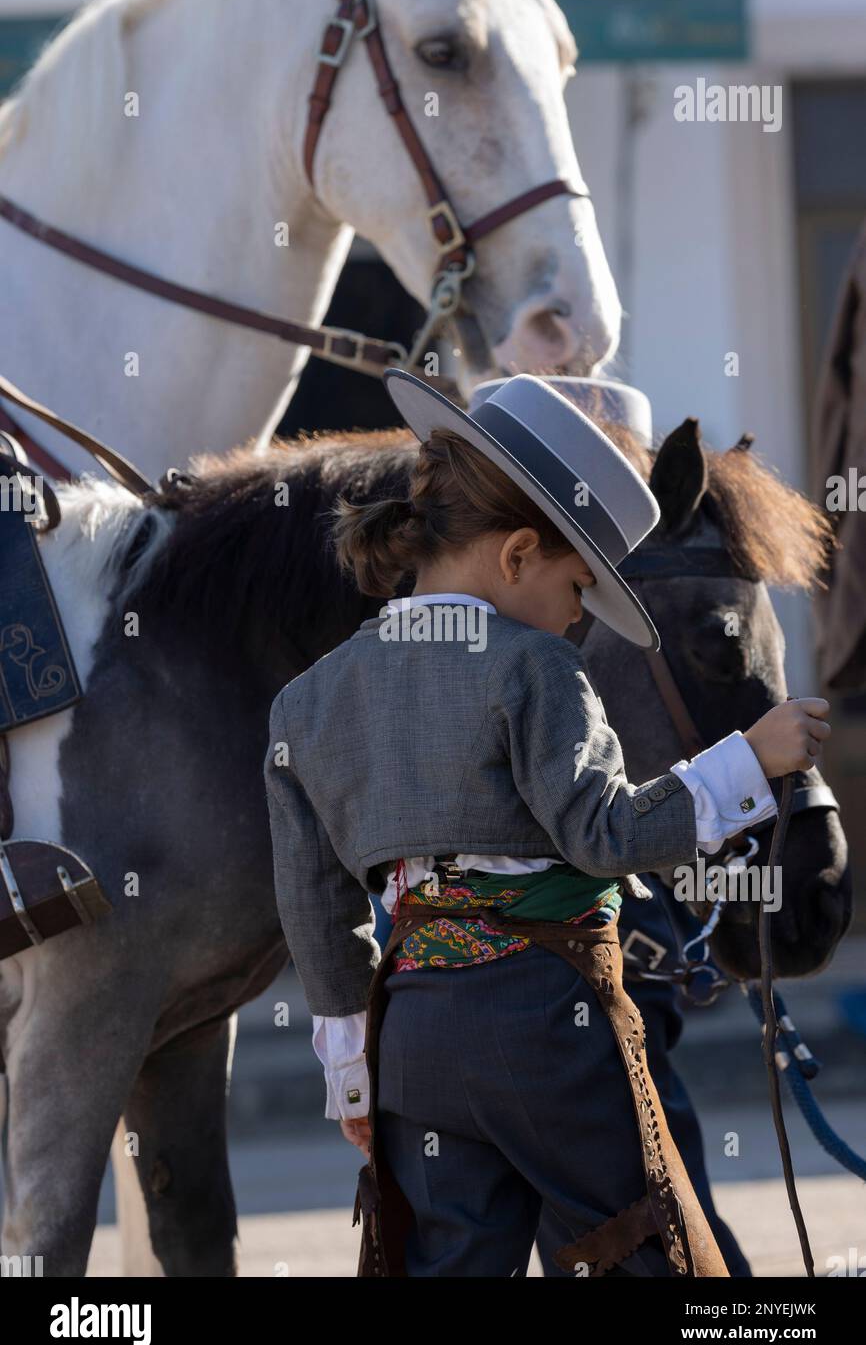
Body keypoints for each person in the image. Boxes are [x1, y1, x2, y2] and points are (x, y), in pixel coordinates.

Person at [264, 371, 830, 1278]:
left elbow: (316, 906)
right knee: (650, 1254)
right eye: (578, 586)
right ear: (518, 554)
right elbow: (604, 834)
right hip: (548, 1027)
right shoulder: (536, 670)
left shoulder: (307, 703)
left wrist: (352, 1071)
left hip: (411, 1041)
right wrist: (746, 760)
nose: (577, 617)